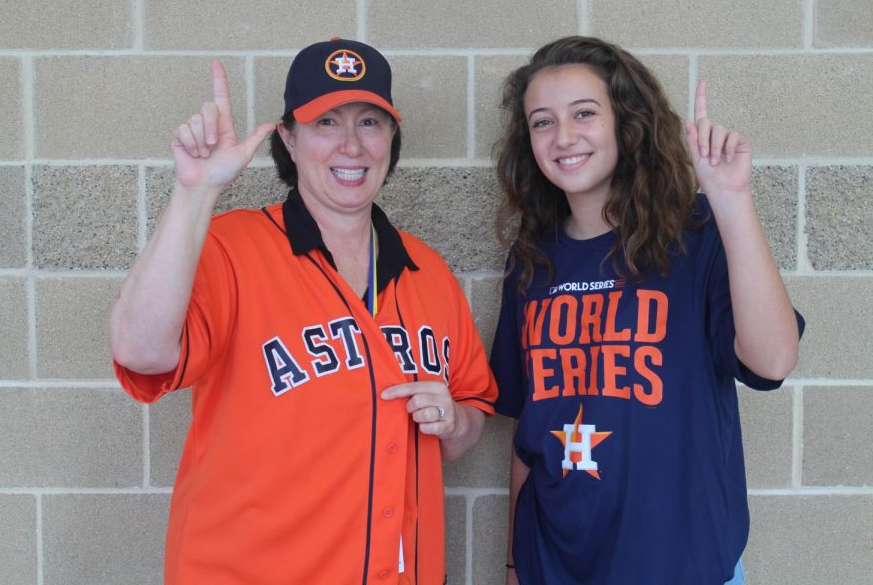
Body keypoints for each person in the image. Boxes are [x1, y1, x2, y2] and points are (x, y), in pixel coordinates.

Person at [110, 37, 497, 585]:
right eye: (326, 123)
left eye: (369, 122)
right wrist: (194, 194)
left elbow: (466, 427)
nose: (351, 146)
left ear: (391, 138)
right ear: (288, 139)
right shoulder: (230, 247)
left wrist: (456, 419)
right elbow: (140, 351)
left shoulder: (426, 271)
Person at [490, 36, 804, 585]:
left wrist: (732, 202)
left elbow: (773, 361)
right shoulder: (531, 261)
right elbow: (527, 428)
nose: (563, 136)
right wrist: (516, 565)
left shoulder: (698, 234)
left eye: (584, 113)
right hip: (554, 567)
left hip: (682, 566)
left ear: (626, 122)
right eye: (542, 121)